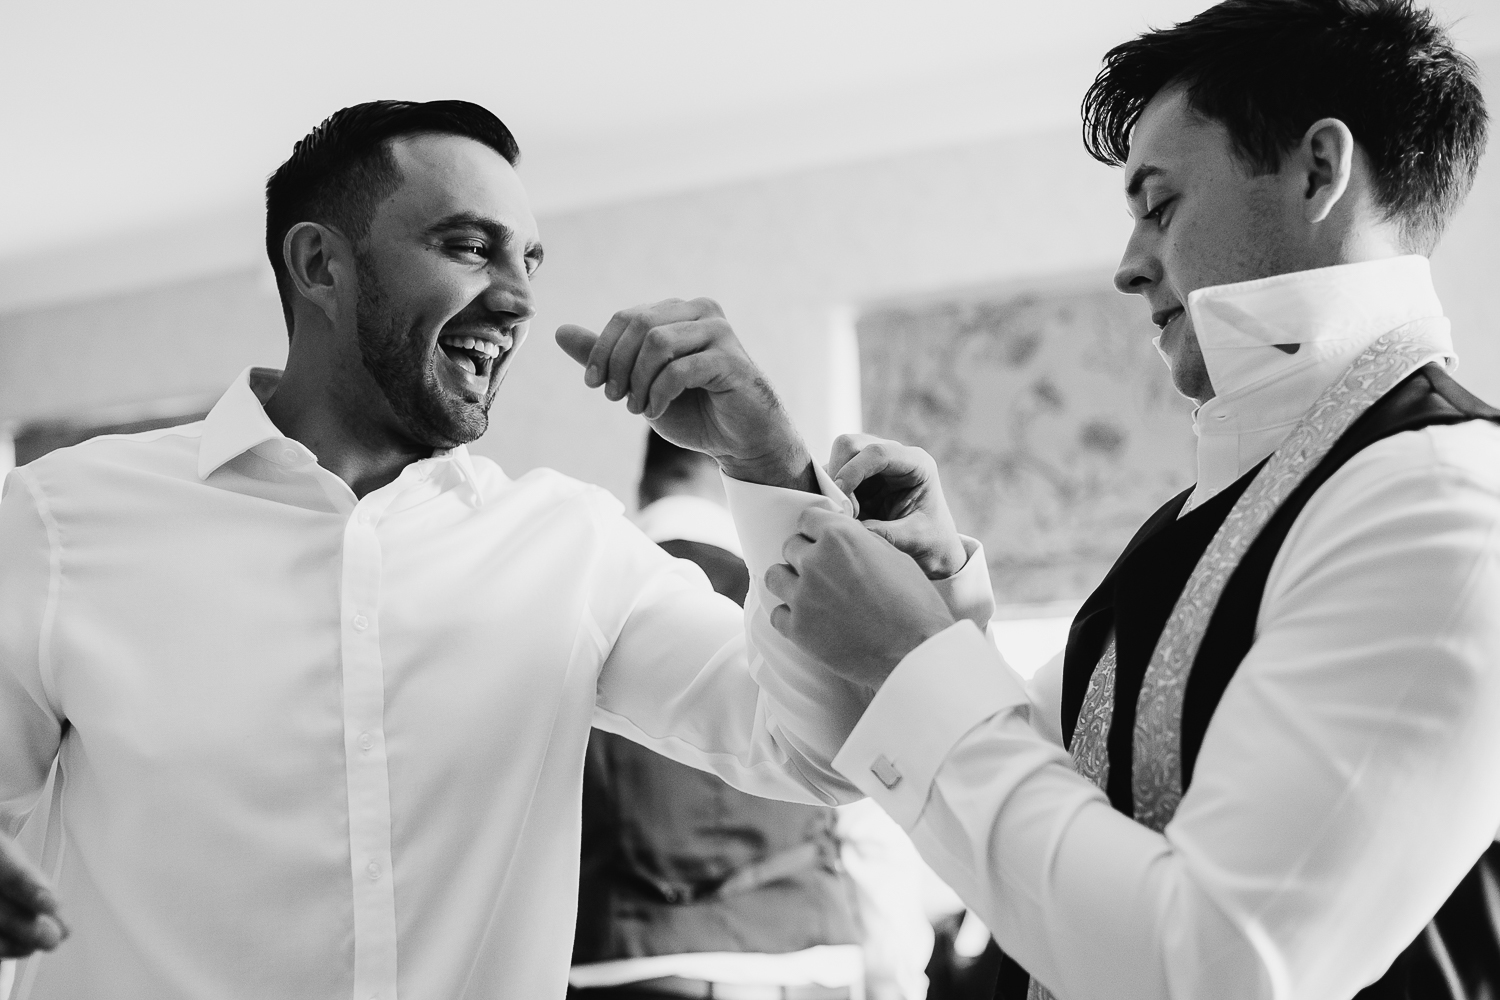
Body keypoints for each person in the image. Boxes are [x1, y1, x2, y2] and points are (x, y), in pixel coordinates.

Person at [0, 100, 972, 999]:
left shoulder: (571, 547)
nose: (516, 300)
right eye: (470, 246)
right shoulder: (65, 514)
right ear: (319, 265)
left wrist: (769, 461)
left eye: (531, 262)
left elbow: (827, 752)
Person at [742, 2, 1500, 998]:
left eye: (1160, 203)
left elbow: (1214, 966)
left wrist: (911, 658)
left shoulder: (1443, 503)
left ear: (1318, 171)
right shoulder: (1201, 517)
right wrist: (929, 610)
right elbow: (1027, 806)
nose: (1129, 262)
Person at [570, 430, 933, 1000]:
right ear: (730, 489)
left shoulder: (580, 609)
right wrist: (894, 982)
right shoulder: (808, 600)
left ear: (644, 484)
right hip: (806, 960)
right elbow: (873, 813)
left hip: (629, 962)